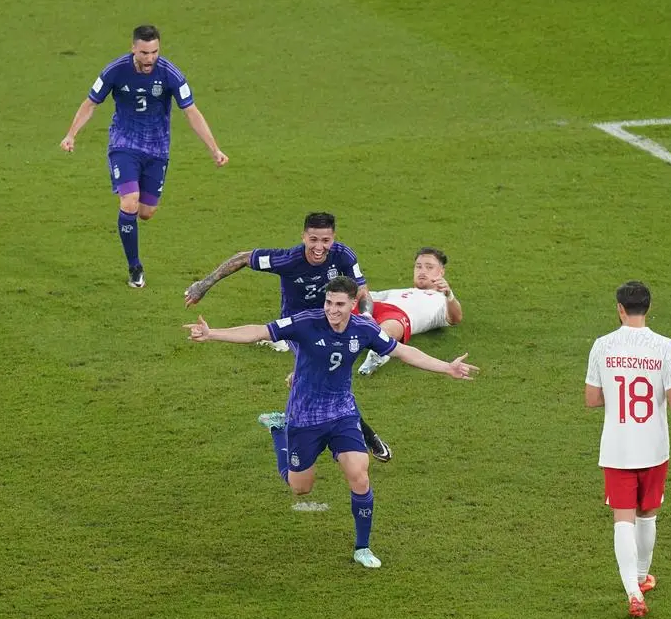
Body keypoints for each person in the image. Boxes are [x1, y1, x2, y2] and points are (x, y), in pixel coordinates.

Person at [185, 277, 477, 568]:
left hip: (342, 414)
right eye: (328, 303)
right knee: (301, 488)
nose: (332, 309)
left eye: (339, 304)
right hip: (303, 418)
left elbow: (403, 352)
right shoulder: (306, 322)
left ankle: (362, 547)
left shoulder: (365, 329)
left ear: (353, 304)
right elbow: (259, 331)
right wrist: (212, 334)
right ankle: (278, 428)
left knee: (360, 475)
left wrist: (446, 367)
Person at [183, 212, 395, 462]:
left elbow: (362, 292)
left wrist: (367, 317)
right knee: (328, 380)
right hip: (300, 327)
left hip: (334, 319)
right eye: (313, 239)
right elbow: (243, 258)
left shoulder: (343, 255)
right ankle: (364, 434)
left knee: (325, 380)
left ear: (333, 238)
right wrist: (203, 285)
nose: (319, 247)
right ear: (304, 236)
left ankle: (301, 392)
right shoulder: (287, 260)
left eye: (325, 240)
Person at [60, 24, 229, 288]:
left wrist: (214, 149)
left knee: (146, 212)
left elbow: (191, 112)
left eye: (154, 52)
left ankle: (132, 227)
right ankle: (134, 267)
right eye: (144, 53)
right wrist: (71, 134)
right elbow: (90, 103)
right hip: (124, 145)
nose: (150, 58)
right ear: (133, 49)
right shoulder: (115, 71)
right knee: (129, 202)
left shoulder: (170, 74)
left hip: (157, 150)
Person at [584, 281, 671, 618]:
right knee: (647, 513)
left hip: (618, 446)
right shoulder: (663, 346)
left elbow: (591, 399)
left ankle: (633, 593)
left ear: (620, 308)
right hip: (654, 446)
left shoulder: (603, 345)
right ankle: (640, 578)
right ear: (648, 307)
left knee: (623, 519)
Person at [356, 247, 464, 375]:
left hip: (397, 316)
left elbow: (456, 318)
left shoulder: (441, 299)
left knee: (391, 326)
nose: (422, 271)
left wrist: (449, 294)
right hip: (373, 308)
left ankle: (377, 354)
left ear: (441, 272)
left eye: (429, 267)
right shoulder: (397, 292)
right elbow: (366, 296)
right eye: (418, 267)